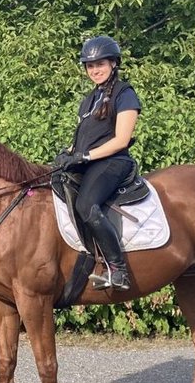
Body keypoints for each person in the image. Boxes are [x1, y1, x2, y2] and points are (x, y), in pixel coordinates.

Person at [53, 35, 141, 290]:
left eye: (100, 64)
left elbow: (121, 140)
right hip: (88, 163)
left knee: (87, 203)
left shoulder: (125, 94)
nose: (95, 70)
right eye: (90, 66)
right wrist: (68, 153)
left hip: (113, 162)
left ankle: (118, 270)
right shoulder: (89, 99)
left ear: (113, 63)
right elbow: (83, 138)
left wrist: (86, 156)